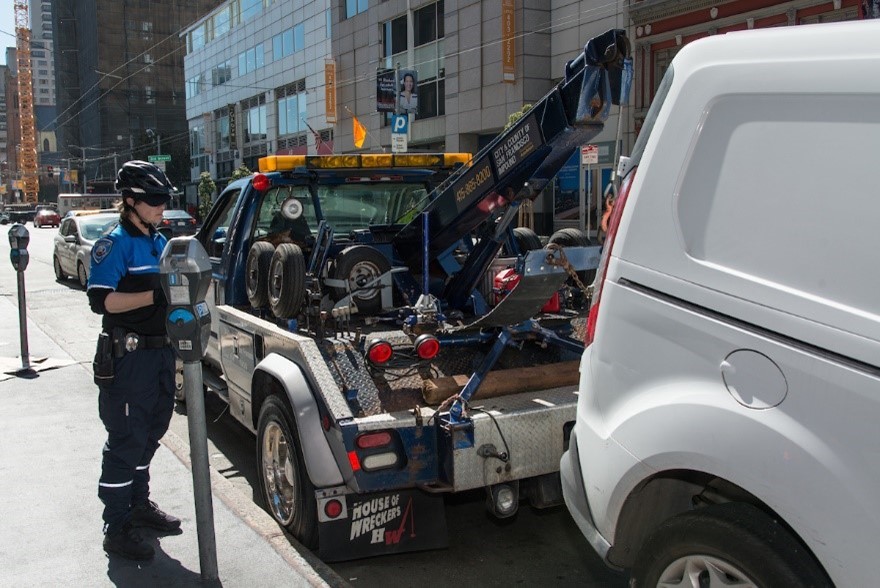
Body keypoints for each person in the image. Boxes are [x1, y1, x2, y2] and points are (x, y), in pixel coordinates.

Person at [87, 160, 180, 561]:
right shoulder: (115, 243)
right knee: (126, 439)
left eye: (165, 199)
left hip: (160, 353)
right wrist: (154, 296)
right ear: (130, 202)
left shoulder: (159, 241)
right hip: (129, 358)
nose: (162, 206)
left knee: (152, 431)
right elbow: (102, 301)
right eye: (154, 200)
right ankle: (117, 525)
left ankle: (139, 506)